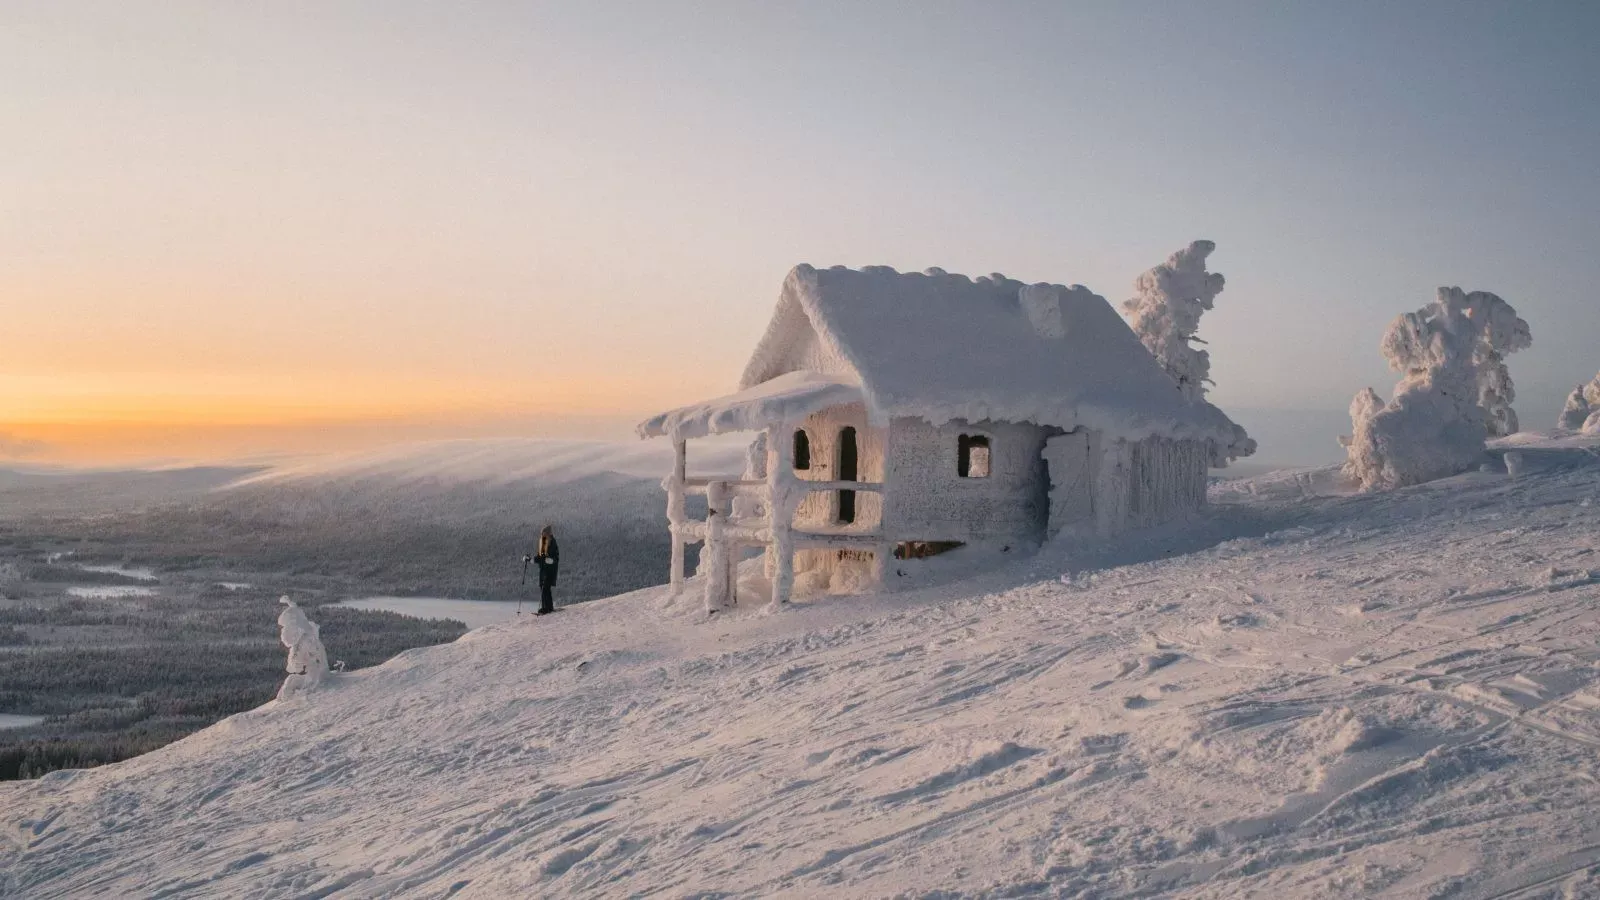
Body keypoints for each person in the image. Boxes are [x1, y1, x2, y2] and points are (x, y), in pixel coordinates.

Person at [524, 525, 559, 615]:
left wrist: (551, 560)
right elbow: (540, 557)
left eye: (544, 533)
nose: (542, 534)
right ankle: (546, 607)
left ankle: (547, 608)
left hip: (549, 570)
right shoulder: (544, 542)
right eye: (542, 533)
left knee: (546, 587)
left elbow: (556, 557)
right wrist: (531, 559)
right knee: (542, 587)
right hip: (543, 569)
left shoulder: (553, 543)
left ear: (548, 533)